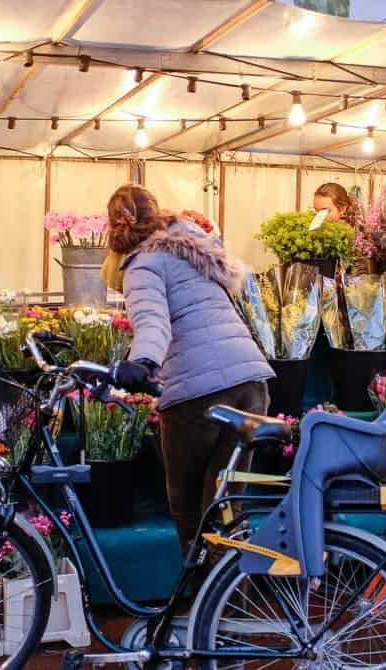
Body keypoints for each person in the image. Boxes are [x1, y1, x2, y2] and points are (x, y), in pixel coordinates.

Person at [106, 184, 274, 558]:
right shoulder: (195, 249)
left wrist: (143, 363)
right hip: (249, 381)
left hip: (197, 393)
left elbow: (152, 322)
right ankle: (231, 606)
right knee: (226, 506)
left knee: (187, 508)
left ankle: (204, 605)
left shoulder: (141, 264)